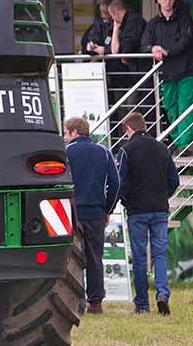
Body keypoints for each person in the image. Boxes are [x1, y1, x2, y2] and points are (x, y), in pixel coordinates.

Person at [116, 112, 179, 315]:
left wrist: (126, 201)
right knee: (160, 255)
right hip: (160, 209)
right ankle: (162, 294)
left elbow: (120, 182)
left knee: (140, 257)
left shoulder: (126, 150)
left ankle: (142, 305)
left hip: (137, 212)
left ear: (129, 129)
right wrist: (164, 195)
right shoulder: (163, 149)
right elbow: (174, 181)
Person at [63, 117, 120, 314]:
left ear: (74, 132)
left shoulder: (66, 152)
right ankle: (95, 302)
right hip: (96, 213)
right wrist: (108, 209)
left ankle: (76, 302)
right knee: (95, 258)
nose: (65, 137)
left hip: (72, 214)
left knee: (73, 259)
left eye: (66, 133)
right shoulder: (103, 152)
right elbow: (116, 183)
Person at [142, 0, 193, 152]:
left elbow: (186, 41)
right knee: (171, 108)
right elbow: (144, 44)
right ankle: (180, 142)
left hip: (187, 71)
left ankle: (185, 144)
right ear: (158, 0)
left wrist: (167, 52)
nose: (168, 2)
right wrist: (152, 49)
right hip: (166, 73)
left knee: (185, 107)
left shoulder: (184, 19)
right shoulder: (152, 24)